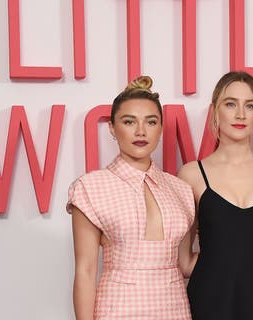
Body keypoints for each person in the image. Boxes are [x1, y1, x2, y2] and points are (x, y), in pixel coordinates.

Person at [67, 76, 196, 319]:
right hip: (118, 309)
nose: (140, 131)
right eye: (129, 122)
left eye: (151, 122)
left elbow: (186, 263)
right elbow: (85, 270)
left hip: (174, 308)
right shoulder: (91, 188)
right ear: (112, 128)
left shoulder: (181, 189)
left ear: (161, 128)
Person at [178, 71, 253, 320]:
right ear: (215, 111)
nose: (240, 114)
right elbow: (184, 262)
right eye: (230, 104)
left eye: (249, 105)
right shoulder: (191, 175)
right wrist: (223, 258)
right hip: (209, 300)